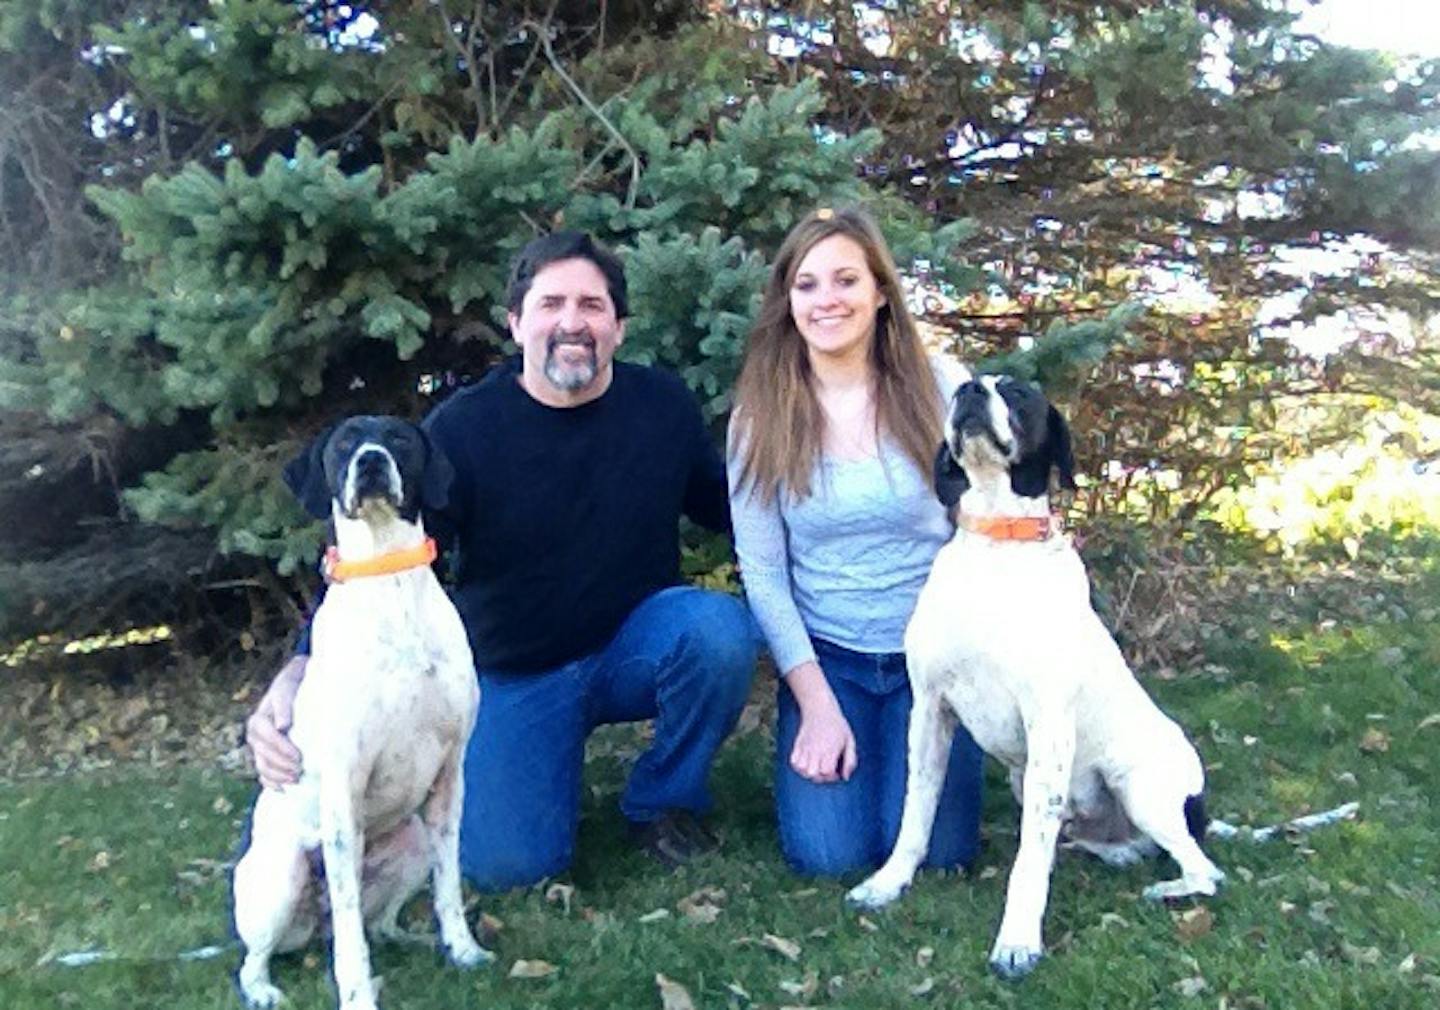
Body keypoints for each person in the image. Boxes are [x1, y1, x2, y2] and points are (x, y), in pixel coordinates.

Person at [246, 231, 757, 890]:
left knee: (718, 632)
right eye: (550, 304)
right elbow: (383, 561)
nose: (571, 323)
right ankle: (536, 769)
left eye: (592, 305)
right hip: (515, 674)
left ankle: (662, 804)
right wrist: (296, 672)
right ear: (517, 323)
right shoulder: (461, 430)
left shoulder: (661, 406)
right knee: (509, 865)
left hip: (636, 647)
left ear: (619, 327)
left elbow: (729, 513)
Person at [727, 206, 985, 877]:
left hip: (934, 657)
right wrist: (815, 704)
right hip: (831, 660)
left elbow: (985, 514)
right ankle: (835, 735)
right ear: (788, 302)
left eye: (845, 280)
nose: (827, 300)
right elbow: (763, 572)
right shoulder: (761, 416)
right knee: (829, 856)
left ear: (880, 292)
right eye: (806, 285)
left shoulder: (941, 388)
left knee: (941, 853)